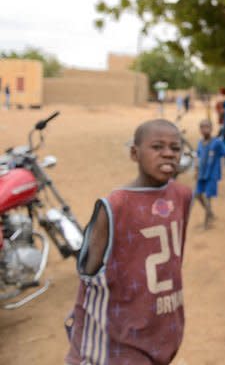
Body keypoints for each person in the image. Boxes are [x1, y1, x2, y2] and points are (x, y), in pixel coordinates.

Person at [65, 119, 193, 365]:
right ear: (135, 153)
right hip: (115, 342)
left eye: (175, 148)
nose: (168, 153)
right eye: (157, 147)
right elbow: (90, 279)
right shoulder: (114, 206)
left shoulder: (182, 195)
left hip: (163, 330)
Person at [195, 118, 225, 229]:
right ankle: (210, 213)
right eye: (202, 127)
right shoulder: (200, 143)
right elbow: (198, 157)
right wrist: (196, 171)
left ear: (211, 128)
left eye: (207, 126)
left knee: (208, 197)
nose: (204, 129)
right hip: (202, 174)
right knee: (197, 195)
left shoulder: (217, 142)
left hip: (212, 174)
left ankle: (206, 224)